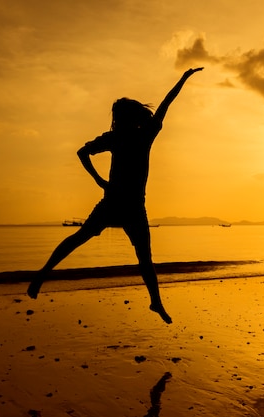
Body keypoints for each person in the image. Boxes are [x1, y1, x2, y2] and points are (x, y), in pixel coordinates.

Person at [27, 67, 204, 324]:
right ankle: (42, 275)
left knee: (111, 247)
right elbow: (166, 103)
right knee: (135, 254)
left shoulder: (121, 136)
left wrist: (100, 181)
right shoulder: (139, 135)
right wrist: (183, 79)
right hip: (124, 204)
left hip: (122, 203)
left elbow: (81, 153)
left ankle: (154, 301)